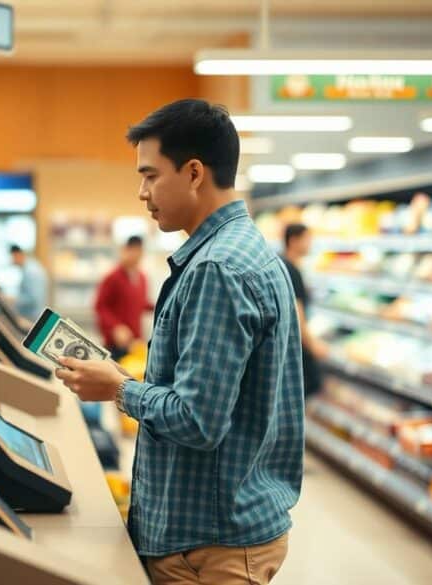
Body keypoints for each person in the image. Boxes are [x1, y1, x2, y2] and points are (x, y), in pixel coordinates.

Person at [54, 99, 304, 585]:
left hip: (210, 545)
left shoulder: (217, 269)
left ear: (193, 173)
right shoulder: (243, 252)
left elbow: (198, 418)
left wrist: (120, 388)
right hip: (221, 529)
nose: (141, 192)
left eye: (150, 175)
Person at [281, 223, 325, 397]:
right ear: (293, 241)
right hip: (298, 347)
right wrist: (313, 345)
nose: (310, 243)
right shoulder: (292, 270)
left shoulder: (283, 264)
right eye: (306, 239)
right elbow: (297, 314)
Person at [94, 236, 154, 360]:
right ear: (124, 250)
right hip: (115, 344)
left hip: (135, 342)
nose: (136, 255)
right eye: (132, 250)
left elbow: (142, 303)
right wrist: (115, 327)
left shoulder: (142, 277)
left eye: (139, 251)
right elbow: (100, 306)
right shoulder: (112, 277)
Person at [9, 244, 47, 321]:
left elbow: (33, 299)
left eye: (12, 257)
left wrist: (14, 300)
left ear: (17, 255)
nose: (11, 261)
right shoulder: (29, 268)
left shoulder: (31, 272)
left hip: (32, 318)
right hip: (30, 316)